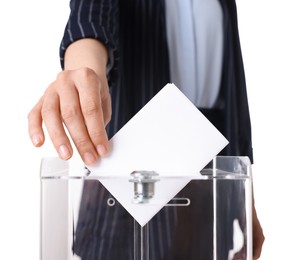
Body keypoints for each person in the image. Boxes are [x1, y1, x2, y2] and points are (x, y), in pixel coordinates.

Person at [28, 0, 264, 259]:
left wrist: (245, 199)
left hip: (209, 193)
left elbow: (232, 95)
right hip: (129, 198)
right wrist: (83, 71)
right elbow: (90, 18)